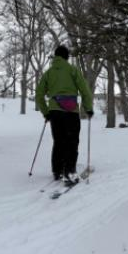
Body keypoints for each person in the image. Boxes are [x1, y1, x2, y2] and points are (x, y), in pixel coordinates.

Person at [35, 45, 94, 184]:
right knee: (72, 141)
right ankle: (69, 171)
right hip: (71, 111)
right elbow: (84, 90)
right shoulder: (73, 70)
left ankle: (57, 171)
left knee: (59, 141)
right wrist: (88, 108)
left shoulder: (48, 73)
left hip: (55, 112)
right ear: (67, 57)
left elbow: (39, 95)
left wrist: (46, 112)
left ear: (55, 56)